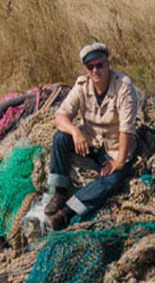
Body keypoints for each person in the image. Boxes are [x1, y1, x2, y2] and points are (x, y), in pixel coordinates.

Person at [46, 42, 143, 229]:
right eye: (91, 67)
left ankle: (67, 211)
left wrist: (119, 162)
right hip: (91, 141)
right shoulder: (82, 86)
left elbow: (127, 127)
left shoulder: (123, 87)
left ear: (108, 64)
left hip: (114, 148)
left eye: (100, 65)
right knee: (60, 137)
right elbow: (60, 116)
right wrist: (75, 132)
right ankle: (59, 192)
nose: (96, 71)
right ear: (86, 69)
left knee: (111, 181)